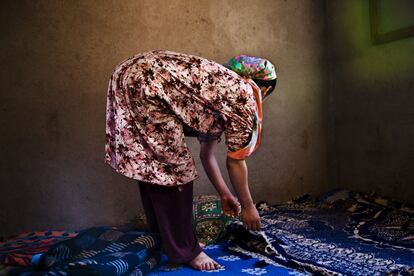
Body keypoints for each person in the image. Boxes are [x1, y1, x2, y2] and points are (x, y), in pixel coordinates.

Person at [104, 50, 277, 271]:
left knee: (154, 166)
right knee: (175, 169)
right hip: (148, 81)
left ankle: (170, 239)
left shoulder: (216, 90)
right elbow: (235, 160)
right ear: (264, 88)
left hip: (128, 72)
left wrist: (224, 193)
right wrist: (248, 206)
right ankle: (186, 249)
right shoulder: (244, 94)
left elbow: (207, 155)